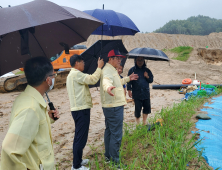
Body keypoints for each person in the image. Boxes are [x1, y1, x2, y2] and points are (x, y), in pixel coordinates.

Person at [0, 56, 60, 170]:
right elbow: (9, 151)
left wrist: (47, 117)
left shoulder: (28, 98)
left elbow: (30, 128)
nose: (54, 78)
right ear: (48, 80)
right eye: (53, 75)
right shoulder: (31, 108)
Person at [100, 49, 138, 168]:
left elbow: (117, 82)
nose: (119, 60)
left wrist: (128, 78)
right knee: (116, 134)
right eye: (117, 58)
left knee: (109, 131)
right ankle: (115, 162)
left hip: (110, 106)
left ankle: (108, 157)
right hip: (114, 107)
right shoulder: (107, 71)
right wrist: (107, 88)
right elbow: (106, 81)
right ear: (110, 59)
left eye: (120, 58)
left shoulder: (112, 70)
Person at [66, 55, 104, 170]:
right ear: (77, 63)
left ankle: (78, 161)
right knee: (80, 137)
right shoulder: (76, 74)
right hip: (80, 110)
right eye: (82, 62)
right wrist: (99, 67)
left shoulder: (73, 75)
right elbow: (92, 79)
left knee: (79, 136)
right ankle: (76, 166)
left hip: (79, 109)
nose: (84, 64)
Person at [127, 57, 153, 125]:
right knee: (138, 109)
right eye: (138, 60)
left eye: (141, 60)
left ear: (144, 61)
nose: (140, 61)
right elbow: (128, 81)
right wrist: (129, 90)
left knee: (146, 108)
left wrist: (147, 76)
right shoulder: (132, 70)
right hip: (136, 93)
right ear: (135, 60)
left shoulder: (147, 70)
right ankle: (138, 124)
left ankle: (144, 122)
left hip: (146, 92)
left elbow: (151, 80)